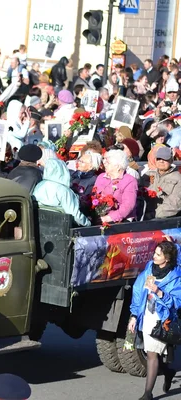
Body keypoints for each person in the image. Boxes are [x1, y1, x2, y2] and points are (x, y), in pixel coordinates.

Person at [129, 241, 181, 400]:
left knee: (152, 353)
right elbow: (138, 290)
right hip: (146, 316)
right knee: (153, 352)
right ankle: (168, 371)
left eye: (158, 254)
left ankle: (147, 393)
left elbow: (177, 302)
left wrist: (159, 292)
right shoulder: (150, 267)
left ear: (166, 259)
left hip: (161, 319)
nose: (154, 256)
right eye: (155, 253)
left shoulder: (175, 276)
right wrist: (134, 315)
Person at [33, 158, 90, 226]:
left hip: (40, 226)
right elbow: (74, 214)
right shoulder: (64, 191)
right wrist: (88, 224)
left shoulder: (40, 185)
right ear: (63, 171)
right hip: (61, 228)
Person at [93, 149, 138, 223]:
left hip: (121, 221)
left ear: (117, 166)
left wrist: (108, 218)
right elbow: (94, 197)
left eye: (108, 162)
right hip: (99, 217)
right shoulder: (101, 177)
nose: (104, 164)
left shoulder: (130, 181)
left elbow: (128, 206)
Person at [144, 146, 181, 219]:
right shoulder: (147, 175)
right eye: (159, 158)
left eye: (165, 159)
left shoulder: (178, 178)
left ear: (171, 160)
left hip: (165, 222)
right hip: (143, 218)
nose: (161, 161)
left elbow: (175, 204)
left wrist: (152, 215)